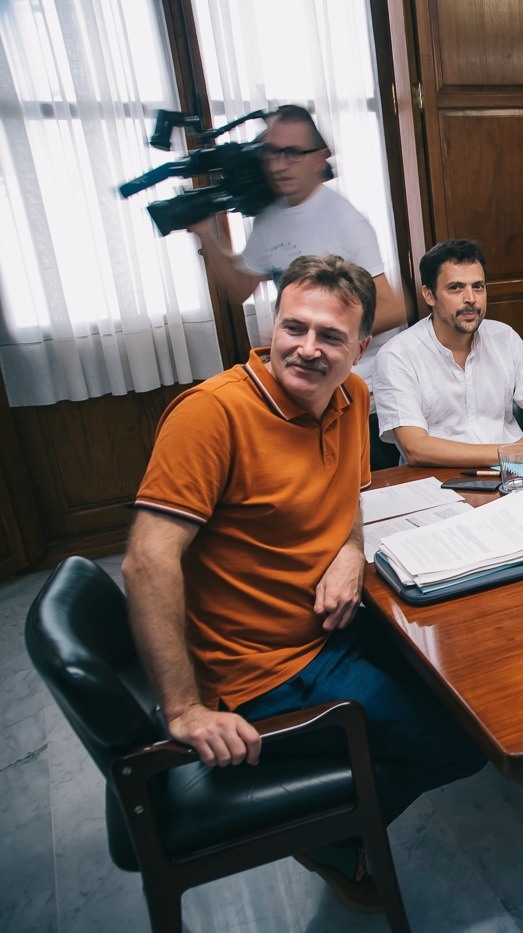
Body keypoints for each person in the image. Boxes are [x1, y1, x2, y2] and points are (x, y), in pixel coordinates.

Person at [122, 254, 485, 912]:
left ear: (362, 347)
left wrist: (349, 551)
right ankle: (330, 839)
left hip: (335, 628)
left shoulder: (355, 397)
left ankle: (342, 815)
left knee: (476, 686)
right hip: (263, 669)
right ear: (271, 323)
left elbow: (350, 496)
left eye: (332, 336)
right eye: (295, 327)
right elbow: (146, 561)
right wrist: (182, 709)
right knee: (464, 744)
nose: (308, 349)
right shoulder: (211, 414)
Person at [189, 104, 406, 385]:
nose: (279, 165)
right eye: (272, 153)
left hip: (360, 380)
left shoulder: (346, 221)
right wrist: (207, 234)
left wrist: (310, 331)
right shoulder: (268, 219)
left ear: (319, 158)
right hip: (308, 375)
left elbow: (392, 308)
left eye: (292, 153)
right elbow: (241, 288)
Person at [374, 239, 523, 466]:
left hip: (521, 472)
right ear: (429, 295)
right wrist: (515, 451)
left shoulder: (504, 338)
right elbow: (416, 448)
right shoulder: (397, 356)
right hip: (443, 481)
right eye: (455, 288)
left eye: (478, 286)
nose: (470, 299)